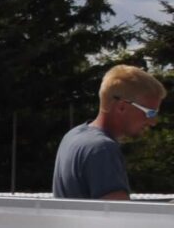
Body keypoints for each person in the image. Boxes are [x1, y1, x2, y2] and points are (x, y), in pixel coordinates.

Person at [52, 63, 165, 201]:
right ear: (122, 107)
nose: (153, 122)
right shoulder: (102, 148)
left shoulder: (73, 136)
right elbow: (119, 217)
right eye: (150, 113)